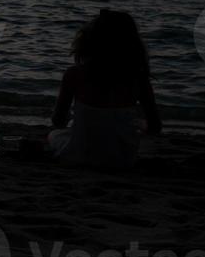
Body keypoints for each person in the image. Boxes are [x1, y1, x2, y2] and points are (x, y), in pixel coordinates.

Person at [48, 9, 162, 169]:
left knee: (54, 135)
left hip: (79, 156)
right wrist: (141, 124)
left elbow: (58, 120)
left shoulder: (74, 74)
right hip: (123, 160)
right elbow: (155, 126)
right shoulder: (138, 79)